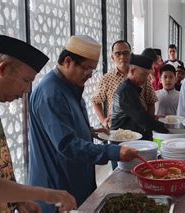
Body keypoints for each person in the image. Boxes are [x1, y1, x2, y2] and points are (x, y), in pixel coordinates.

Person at [0, 35, 76, 212]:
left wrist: (19, 200)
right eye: (26, 81)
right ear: (2, 69)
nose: (27, 90)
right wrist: (49, 195)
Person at [28, 35, 138, 212]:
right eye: (86, 69)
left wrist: (90, 131)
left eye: (92, 70)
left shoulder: (71, 86)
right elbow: (66, 145)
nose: (89, 75)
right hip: (57, 187)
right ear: (68, 61)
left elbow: (64, 127)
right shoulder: (52, 92)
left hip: (76, 180)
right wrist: (114, 151)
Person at [92, 40, 157, 128]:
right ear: (112, 57)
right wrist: (103, 120)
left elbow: (151, 101)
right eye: (118, 54)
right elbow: (96, 101)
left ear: (130, 55)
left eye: (126, 53)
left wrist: (149, 124)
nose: (122, 57)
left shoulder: (142, 75)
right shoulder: (106, 79)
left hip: (140, 129)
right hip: (118, 131)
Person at [111, 54, 170, 140]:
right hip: (123, 140)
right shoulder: (126, 90)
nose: (146, 79)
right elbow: (140, 118)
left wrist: (155, 119)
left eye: (147, 75)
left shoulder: (131, 87)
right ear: (132, 71)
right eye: (143, 75)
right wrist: (165, 128)